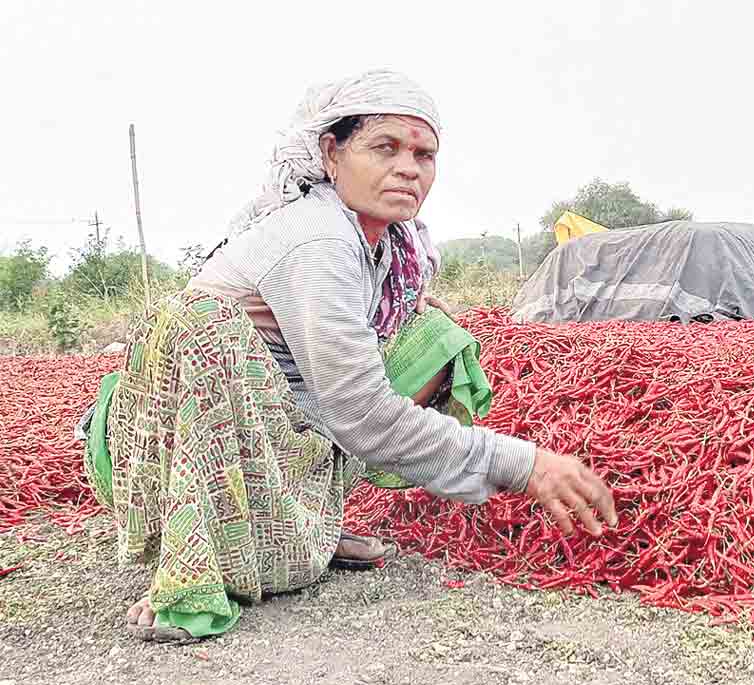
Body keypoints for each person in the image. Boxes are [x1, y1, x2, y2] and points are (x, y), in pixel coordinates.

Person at [79, 69, 616, 643]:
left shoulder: (386, 246)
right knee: (211, 333)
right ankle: (190, 567)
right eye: (385, 147)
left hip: (278, 412)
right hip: (171, 427)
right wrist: (523, 463)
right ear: (331, 153)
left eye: (424, 154)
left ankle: (309, 526)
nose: (409, 167)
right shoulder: (319, 237)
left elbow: (344, 390)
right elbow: (361, 412)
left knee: (433, 333)